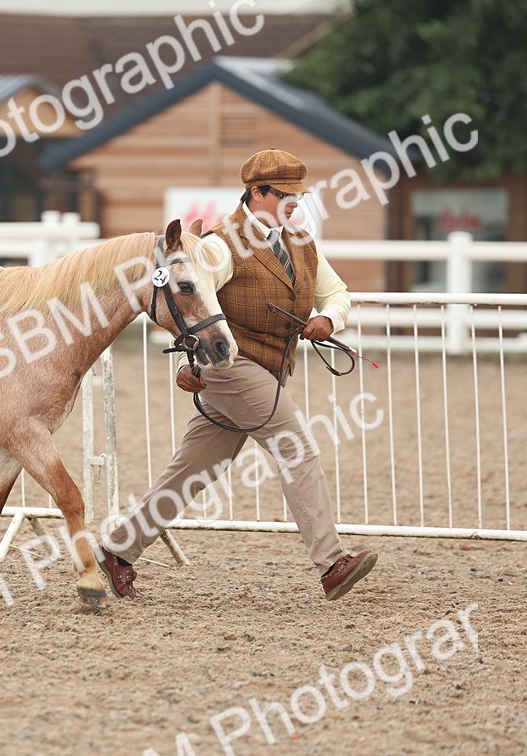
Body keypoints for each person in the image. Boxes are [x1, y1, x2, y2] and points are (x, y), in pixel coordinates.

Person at [98, 149, 378, 601]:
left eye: (298, 195)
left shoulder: (301, 241)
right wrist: (187, 363)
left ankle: (117, 551)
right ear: (256, 193)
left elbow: (336, 291)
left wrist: (330, 318)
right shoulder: (219, 245)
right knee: (296, 447)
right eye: (285, 195)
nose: (294, 203)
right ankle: (331, 564)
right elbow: (193, 307)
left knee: (192, 470)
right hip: (232, 367)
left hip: (269, 368)